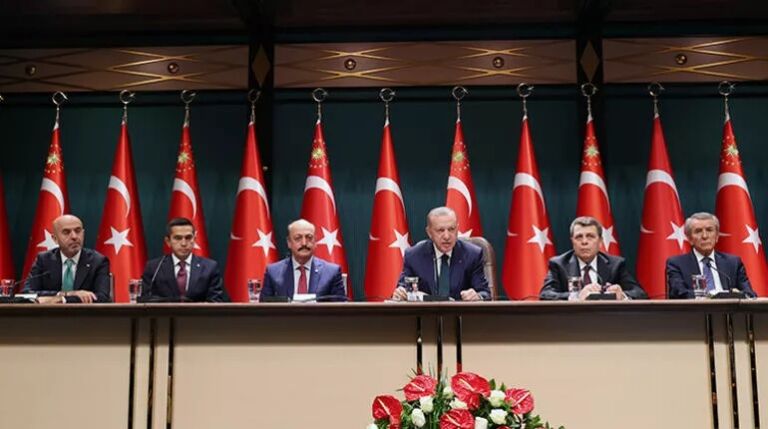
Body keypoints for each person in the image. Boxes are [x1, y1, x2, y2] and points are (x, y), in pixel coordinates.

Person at [392, 207, 490, 301]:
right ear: (429, 232)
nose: (447, 236)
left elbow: (485, 293)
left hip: (461, 312)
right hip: (425, 312)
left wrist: (477, 296)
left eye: (451, 229)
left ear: (457, 229)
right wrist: (400, 293)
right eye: (440, 230)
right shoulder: (414, 256)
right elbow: (403, 288)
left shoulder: (472, 255)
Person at [540, 216, 647, 300]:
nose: (584, 242)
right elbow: (545, 295)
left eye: (590, 236)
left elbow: (640, 294)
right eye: (579, 237)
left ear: (600, 241)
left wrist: (622, 295)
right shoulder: (559, 264)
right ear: (572, 241)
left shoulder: (616, 265)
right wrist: (577, 296)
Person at [24, 214, 111, 303]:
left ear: (83, 234)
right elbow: (27, 293)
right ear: (55, 239)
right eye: (66, 232)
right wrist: (66, 294)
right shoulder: (44, 260)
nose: (74, 237)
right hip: (50, 312)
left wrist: (62, 299)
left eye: (78, 231)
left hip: (84, 312)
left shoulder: (98, 261)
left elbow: (102, 297)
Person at [666, 212, 756, 298]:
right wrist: (711, 297)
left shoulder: (733, 263)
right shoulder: (677, 264)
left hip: (728, 308)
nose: (705, 236)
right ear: (690, 239)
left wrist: (737, 295)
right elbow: (679, 293)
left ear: (717, 236)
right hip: (695, 309)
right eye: (698, 231)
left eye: (709, 230)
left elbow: (750, 294)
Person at [140, 217, 225, 302]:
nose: (183, 243)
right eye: (178, 238)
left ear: (194, 239)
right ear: (168, 241)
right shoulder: (154, 267)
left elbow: (216, 301)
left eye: (188, 238)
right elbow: (145, 300)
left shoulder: (209, 268)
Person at [261, 219, 346, 300]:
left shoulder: (332, 273)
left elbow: (340, 309)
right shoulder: (273, 272)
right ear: (289, 242)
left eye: (309, 237)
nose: (304, 243)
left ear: (315, 241)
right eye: (298, 238)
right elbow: (264, 307)